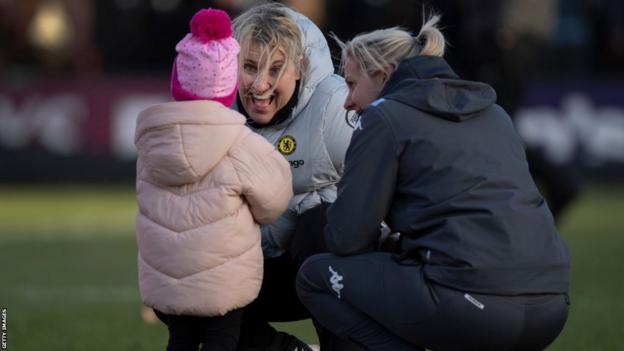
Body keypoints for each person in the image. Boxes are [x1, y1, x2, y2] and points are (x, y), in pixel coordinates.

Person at [296, 14, 571, 351]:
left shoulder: (384, 116)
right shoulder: (495, 113)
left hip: (476, 307)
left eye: (352, 84)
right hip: (552, 307)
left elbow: (346, 238)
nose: (347, 101)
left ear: (384, 74)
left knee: (315, 277)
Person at [134, 8, 292, 351]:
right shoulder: (239, 142)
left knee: (181, 339)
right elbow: (275, 200)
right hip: (224, 276)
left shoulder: (152, 141)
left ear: (178, 80)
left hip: (167, 274)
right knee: (224, 339)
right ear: (228, 85)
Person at [230, 3, 359, 350]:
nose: (259, 84)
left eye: (275, 69)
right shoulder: (216, 112)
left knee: (320, 222)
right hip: (252, 276)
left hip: (332, 274)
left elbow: (386, 185)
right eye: (249, 67)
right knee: (179, 284)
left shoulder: (334, 107)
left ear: (300, 68)